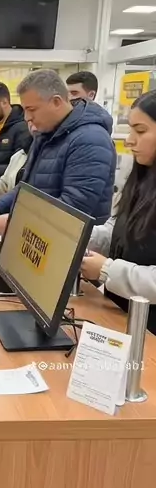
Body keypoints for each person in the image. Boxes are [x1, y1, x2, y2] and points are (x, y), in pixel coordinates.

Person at [0, 69, 116, 236]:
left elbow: (74, 209)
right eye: (25, 110)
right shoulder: (46, 134)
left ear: (56, 102)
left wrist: (17, 220)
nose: (27, 117)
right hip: (40, 236)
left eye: (32, 109)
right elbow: (27, 189)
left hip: (71, 242)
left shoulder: (90, 139)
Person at [81, 90, 156, 334]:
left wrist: (107, 270)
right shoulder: (142, 177)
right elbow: (118, 227)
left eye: (140, 131)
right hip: (122, 314)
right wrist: (77, 238)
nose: (130, 141)